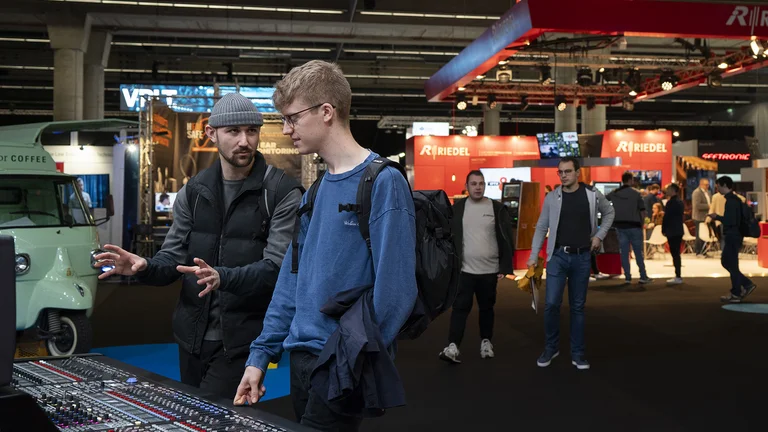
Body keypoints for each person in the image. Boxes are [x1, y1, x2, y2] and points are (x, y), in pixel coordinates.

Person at [234, 60, 417, 430]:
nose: (286, 130)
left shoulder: (383, 183)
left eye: (293, 118)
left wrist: (351, 358)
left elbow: (396, 291)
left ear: (327, 112)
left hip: (340, 363)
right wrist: (260, 355)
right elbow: (291, 281)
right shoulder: (315, 192)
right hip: (300, 362)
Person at [93, 93, 303, 399]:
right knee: (194, 417)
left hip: (242, 339)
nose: (244, 141)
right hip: (191, 337)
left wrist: (223, 277)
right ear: (211, 134)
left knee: (218, 418)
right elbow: (174, 256)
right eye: (233, 132)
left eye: (251, 131)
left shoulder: (282, 191)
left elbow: (276, 271)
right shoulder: (194, 190)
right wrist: (144, 267)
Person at [528, 157, 615, 370]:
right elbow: (541, 227)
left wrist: (599, 236)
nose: (563, 175)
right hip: (557, 257)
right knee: (551, 305)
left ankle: (578, 353)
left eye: (567, 171)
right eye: (560, 172)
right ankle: (551, 347)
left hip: (582, 257)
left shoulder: (592, 194)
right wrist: (533, 255)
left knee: (577, 307)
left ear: (578, 173)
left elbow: (609, 212)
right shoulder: (552, 197)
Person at [438, 170, 515, 364]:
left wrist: (505, 266)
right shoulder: (458, 209)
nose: (478, 187)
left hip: (489, 271)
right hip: (464, 271)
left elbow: (506, 238)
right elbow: (448, 237)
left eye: (481, 183)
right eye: (474, 184)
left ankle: (486, 342)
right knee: (459, 309)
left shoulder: (496, 208)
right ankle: (453, 346)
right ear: (467, 186)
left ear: (485, 185)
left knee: (487, 308)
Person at [708, 176, 757, 303]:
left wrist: (717, 216)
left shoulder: (731, 201)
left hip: (732, 235)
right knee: (729, 262)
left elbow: (731, 220)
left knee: (729, 262)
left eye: (718, 185)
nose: (717, 188)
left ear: (724, 185)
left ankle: (740, 289)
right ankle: (739, 288)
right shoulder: (737, 199)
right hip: (735, 235)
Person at [606, 171, 651, 286]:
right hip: (634, 226)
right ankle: (643, 276)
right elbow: (642, 211)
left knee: (624, 252)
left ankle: (627, 277)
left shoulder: (614, 193)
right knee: (638, 252)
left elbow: (604, 202)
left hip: (620, 226)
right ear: (631, 180)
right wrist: (643, 223)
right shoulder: (636, 194)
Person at [662, 183, 684, 285]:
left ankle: (678, 276)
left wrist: (664, 229)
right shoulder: (680, 202)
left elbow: (667, 217)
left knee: (675, 253)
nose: (667, 190)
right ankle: (678, 275)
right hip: (678, 230)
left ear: (674, 190)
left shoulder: (671, 203)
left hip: (672, 230)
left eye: (669, 189)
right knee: (676, 254)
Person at [692, 178, 712, 256]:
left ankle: (704, 251)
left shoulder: (708, 192)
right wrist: (709, 206)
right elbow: (697, 205)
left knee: (705, 235)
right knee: (699, 235)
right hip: (699, 217)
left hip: (706, 217)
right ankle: (698, 251)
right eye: (706, 185)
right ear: (701, 184)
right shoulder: (696, 193)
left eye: (708, 185)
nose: (707, 186)